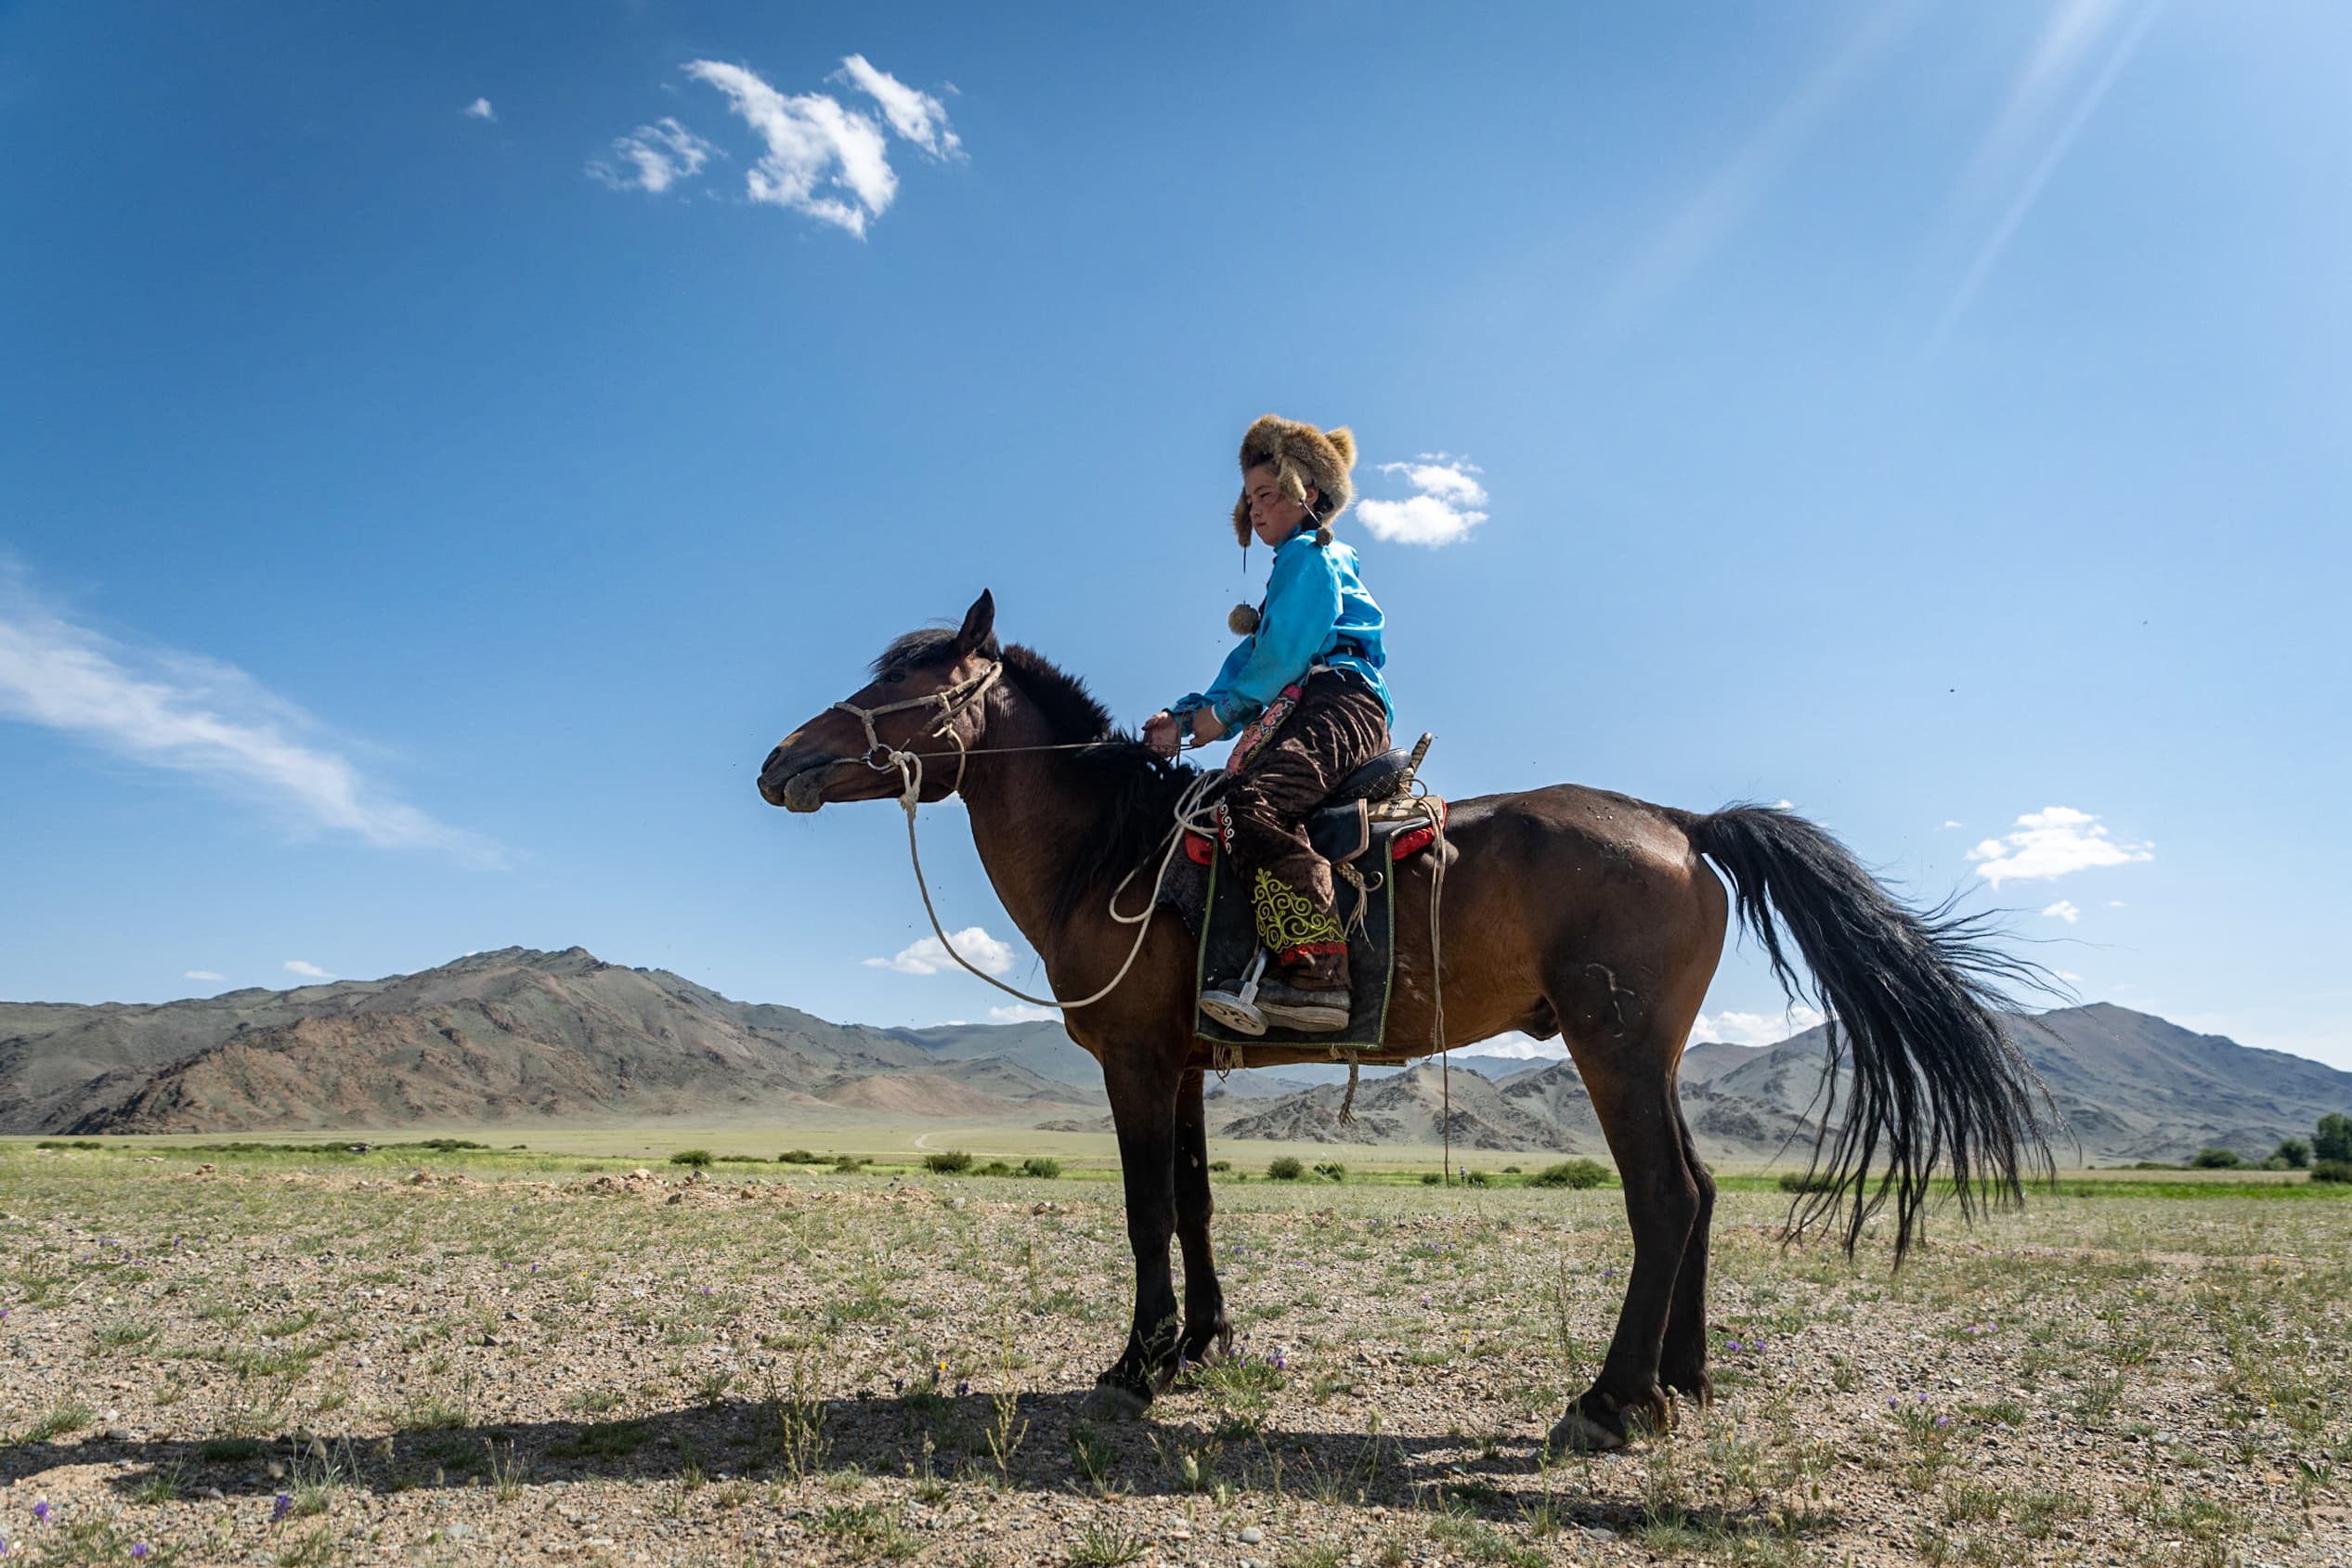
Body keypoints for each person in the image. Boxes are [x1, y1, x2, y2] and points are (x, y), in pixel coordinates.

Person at [1146, 414, 1393, 1032]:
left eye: (1268, 493)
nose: (1255, 509)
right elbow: (1254, 662)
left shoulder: (1309, 555)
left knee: (1251, 807)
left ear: (1307, 492)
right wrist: (1184, 719)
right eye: (1249, 498)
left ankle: (1318, 974)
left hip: (1338, 702)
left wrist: (1216, 713)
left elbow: (1282, 656)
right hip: (1318, 702)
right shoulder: (1296, 564)